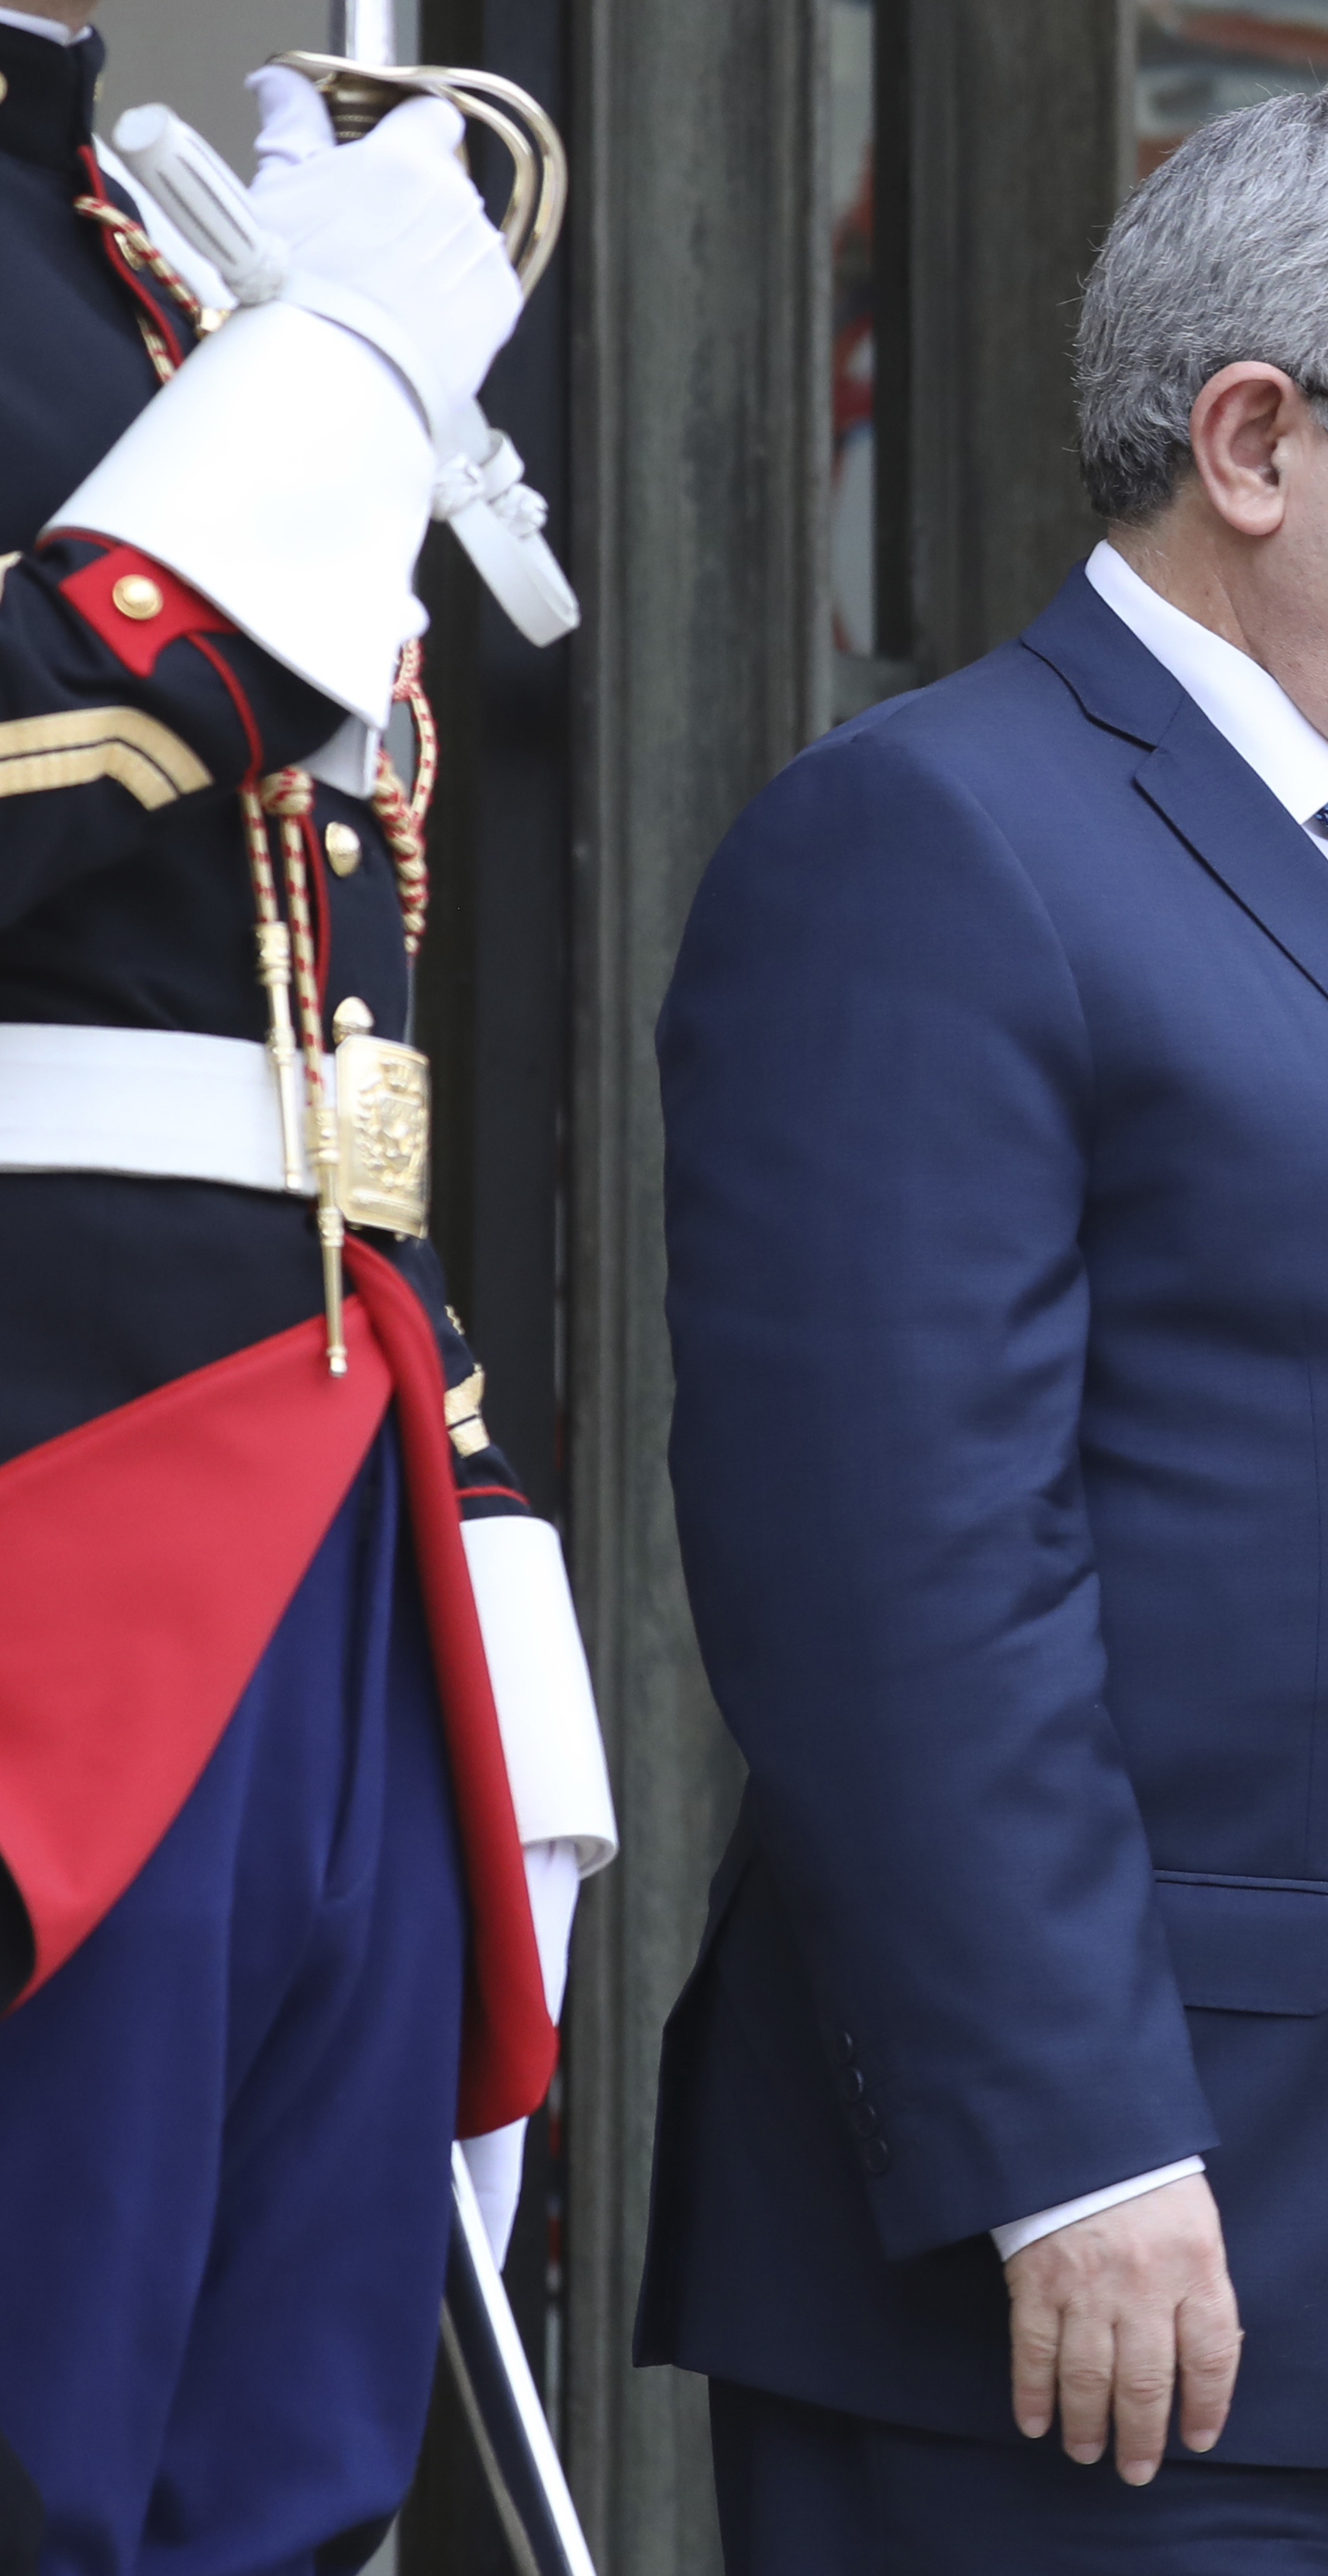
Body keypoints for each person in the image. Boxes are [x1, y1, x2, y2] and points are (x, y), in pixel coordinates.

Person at [648, 87, 1328, 2570]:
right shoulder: (931, 840)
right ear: (1254, 438)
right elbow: (892, 1576)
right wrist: (1072, 2143)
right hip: (1119, 2289)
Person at [0, 15, 615, 2570]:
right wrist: (338, 384)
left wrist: (443, 1453)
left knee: (284, 2466)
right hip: (56, 1492)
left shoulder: (121, 236)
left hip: (315, 1457)